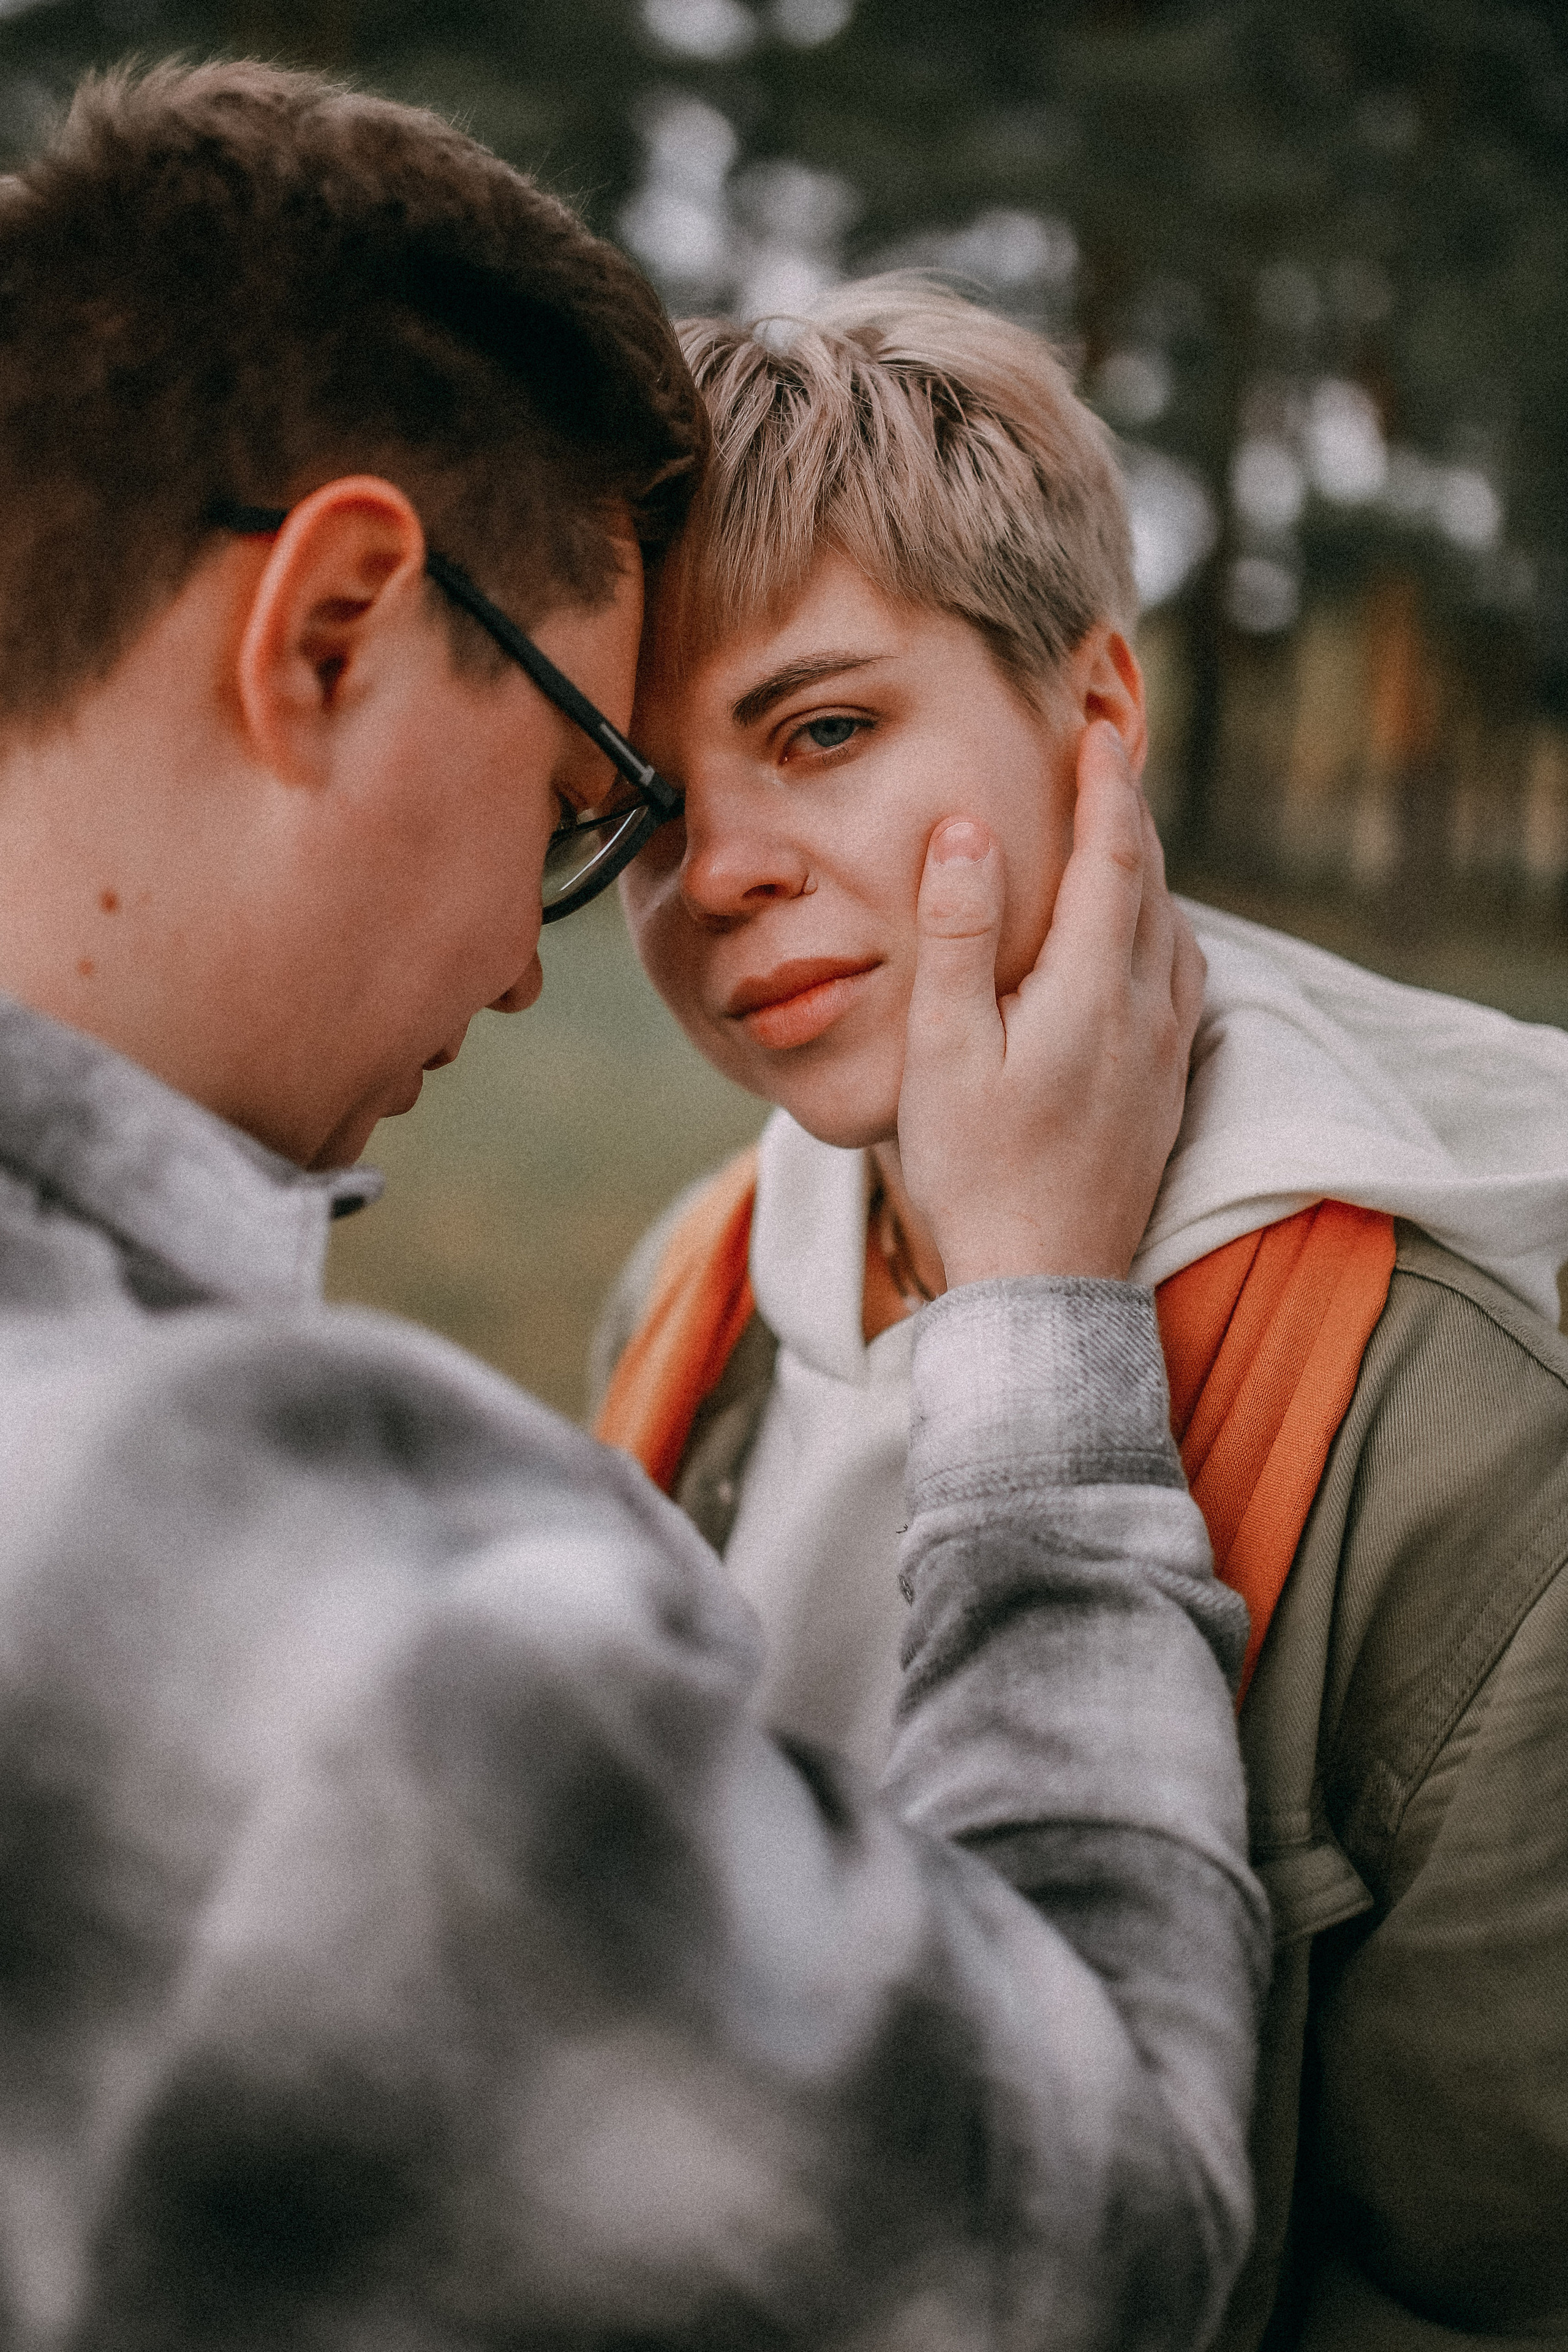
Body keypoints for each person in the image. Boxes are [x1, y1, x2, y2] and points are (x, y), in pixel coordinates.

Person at [0, 62, 1271, 2350]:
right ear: (330, 628)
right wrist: (1042, 1331)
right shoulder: (257, 1594)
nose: (530, 958)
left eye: (826, 734)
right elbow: (1087, 2240)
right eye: (599, 801)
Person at [596, 279, 1568, 2352]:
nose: (725, 868)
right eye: (645, 806)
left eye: (825, 730)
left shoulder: (1468, 1435)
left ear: (1098, 714)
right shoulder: (691, 1291)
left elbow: (1475, 2287)